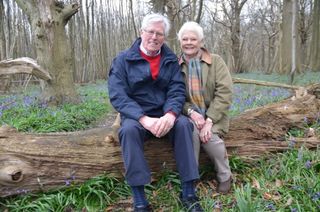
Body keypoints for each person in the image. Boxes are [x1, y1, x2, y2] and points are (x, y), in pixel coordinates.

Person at [108, 14, 203, 212]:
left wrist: (170, 115)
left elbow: (177, 90)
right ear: (141, 32)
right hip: (136, 116)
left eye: (159, 33)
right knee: (128, 132)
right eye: (150, 32)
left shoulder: (170, 60)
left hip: (164, 113)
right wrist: (143, 119)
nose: (154, 37)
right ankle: (140, 199)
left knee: (185, 125)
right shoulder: (123, 60)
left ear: (164, 37)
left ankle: (188, 192)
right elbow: (118, 96)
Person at [177, 21, 233, 194]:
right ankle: (191, 179)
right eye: (184, 39)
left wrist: (209, 120)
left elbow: (225, 92)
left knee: (209, 138)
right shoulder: (175, 65)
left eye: (193, 39)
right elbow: (176, 96)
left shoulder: (215, 61)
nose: (188, 42)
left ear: (201, 42)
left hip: (214, 115)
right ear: (180, 42)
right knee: (191, 133)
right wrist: (192, 113)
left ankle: (225, 176)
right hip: (188, 115)